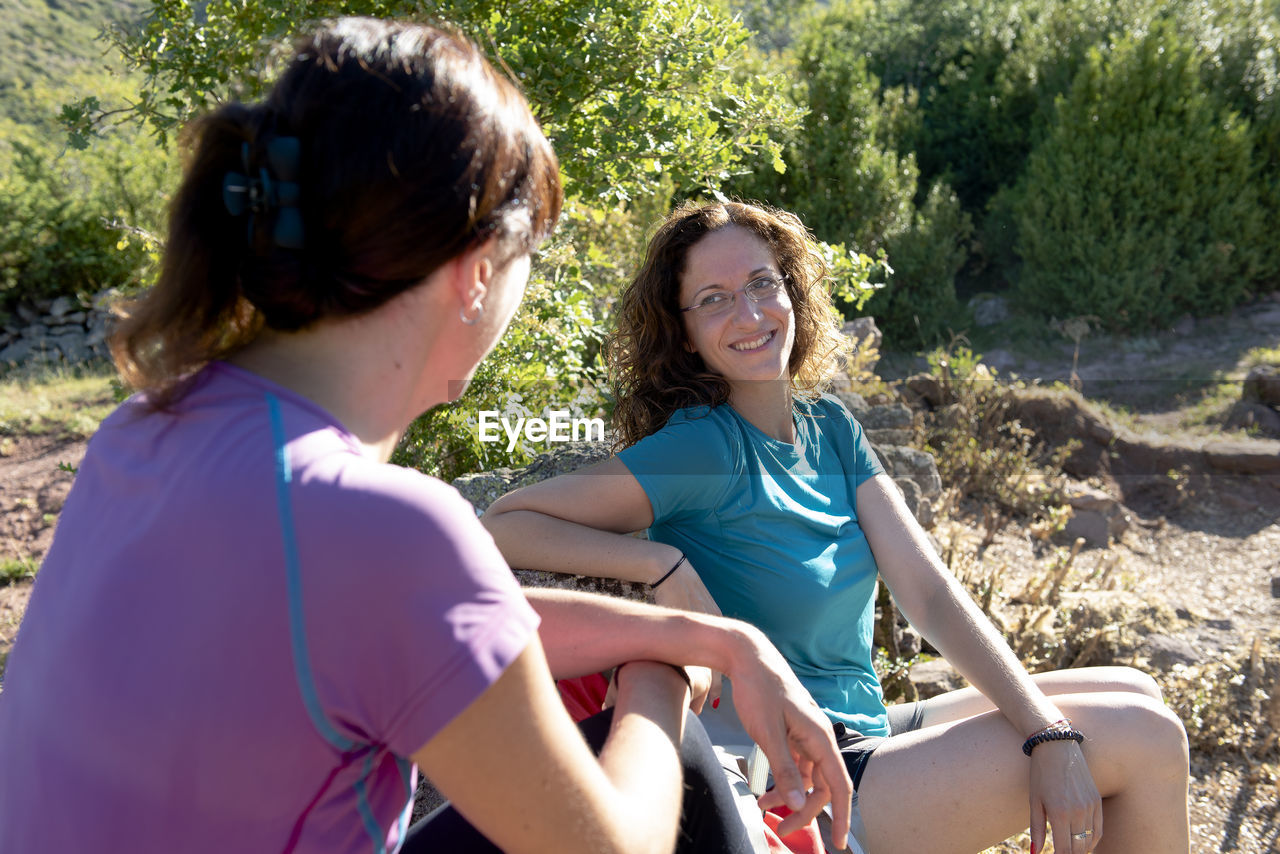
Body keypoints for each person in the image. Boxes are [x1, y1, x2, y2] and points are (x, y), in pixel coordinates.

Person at [0, 24, 855, 854]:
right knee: (684, 771)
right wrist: (658, 682)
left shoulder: (143, 432)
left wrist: (706, 636)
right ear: (477, 271)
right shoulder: (378, 524)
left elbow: (448, 620)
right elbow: (615, 845)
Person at [482, 200, 1192, 854]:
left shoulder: (831, 429)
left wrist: (1048, 732)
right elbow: (505, 523)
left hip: (872, 727)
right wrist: (662, 564)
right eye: (714, 300)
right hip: (805, 773)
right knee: (1145, 739)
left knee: (1136, 690)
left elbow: (930, 594)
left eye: (763, 283)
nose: (750, 312)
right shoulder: (704, 449)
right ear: (688, 336)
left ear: (792, 290)